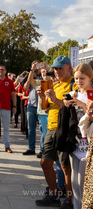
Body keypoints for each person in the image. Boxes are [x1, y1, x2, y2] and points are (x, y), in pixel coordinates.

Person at [35, 56, 75, 208]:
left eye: (60, 68)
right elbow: (45, 107)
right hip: (51, 128)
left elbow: (72, 107)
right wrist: (41, 97)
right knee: (45, 163)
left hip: (65, 129)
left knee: (65, 167)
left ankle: (69, 200)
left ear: (69, 68)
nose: (57, 71)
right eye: (55, 69)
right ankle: (54, 195)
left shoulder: (73, 84)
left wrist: (55, 99)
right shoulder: (55, 85)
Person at [63, 64, 93, 209]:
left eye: (82, 78)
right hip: (74, 142)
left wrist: (82, 105)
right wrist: (65, 105)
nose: (79, 81)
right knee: (74, 182)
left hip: (89, 144)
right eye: (76, 78)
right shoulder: (71, 93)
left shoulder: (91, 95)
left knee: (85, 182)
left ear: (90, 77)